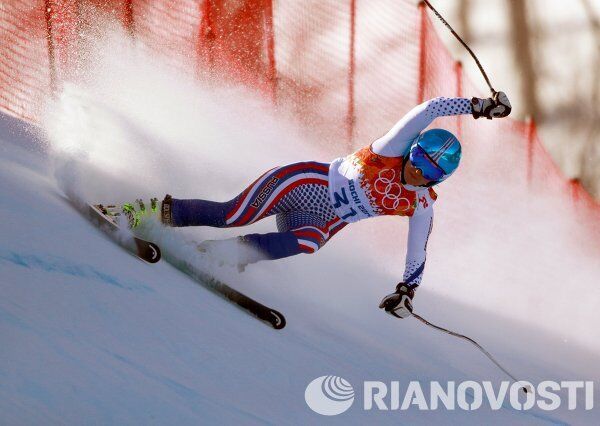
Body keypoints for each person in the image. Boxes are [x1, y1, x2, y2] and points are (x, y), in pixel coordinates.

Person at [119, 92, 511, 319]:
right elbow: (428, 110)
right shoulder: (392, 149)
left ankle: (213, 256)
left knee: (308, 243)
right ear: (413, 148)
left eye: (431, 170)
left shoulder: (421, 204)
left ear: (439, 179)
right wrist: (477, 106)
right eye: (421, 157)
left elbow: (417, 253)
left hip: (322, 218)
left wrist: (407, 291)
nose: (419, 170)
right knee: (232, 214)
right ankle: (139, 212)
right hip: (304, 183)